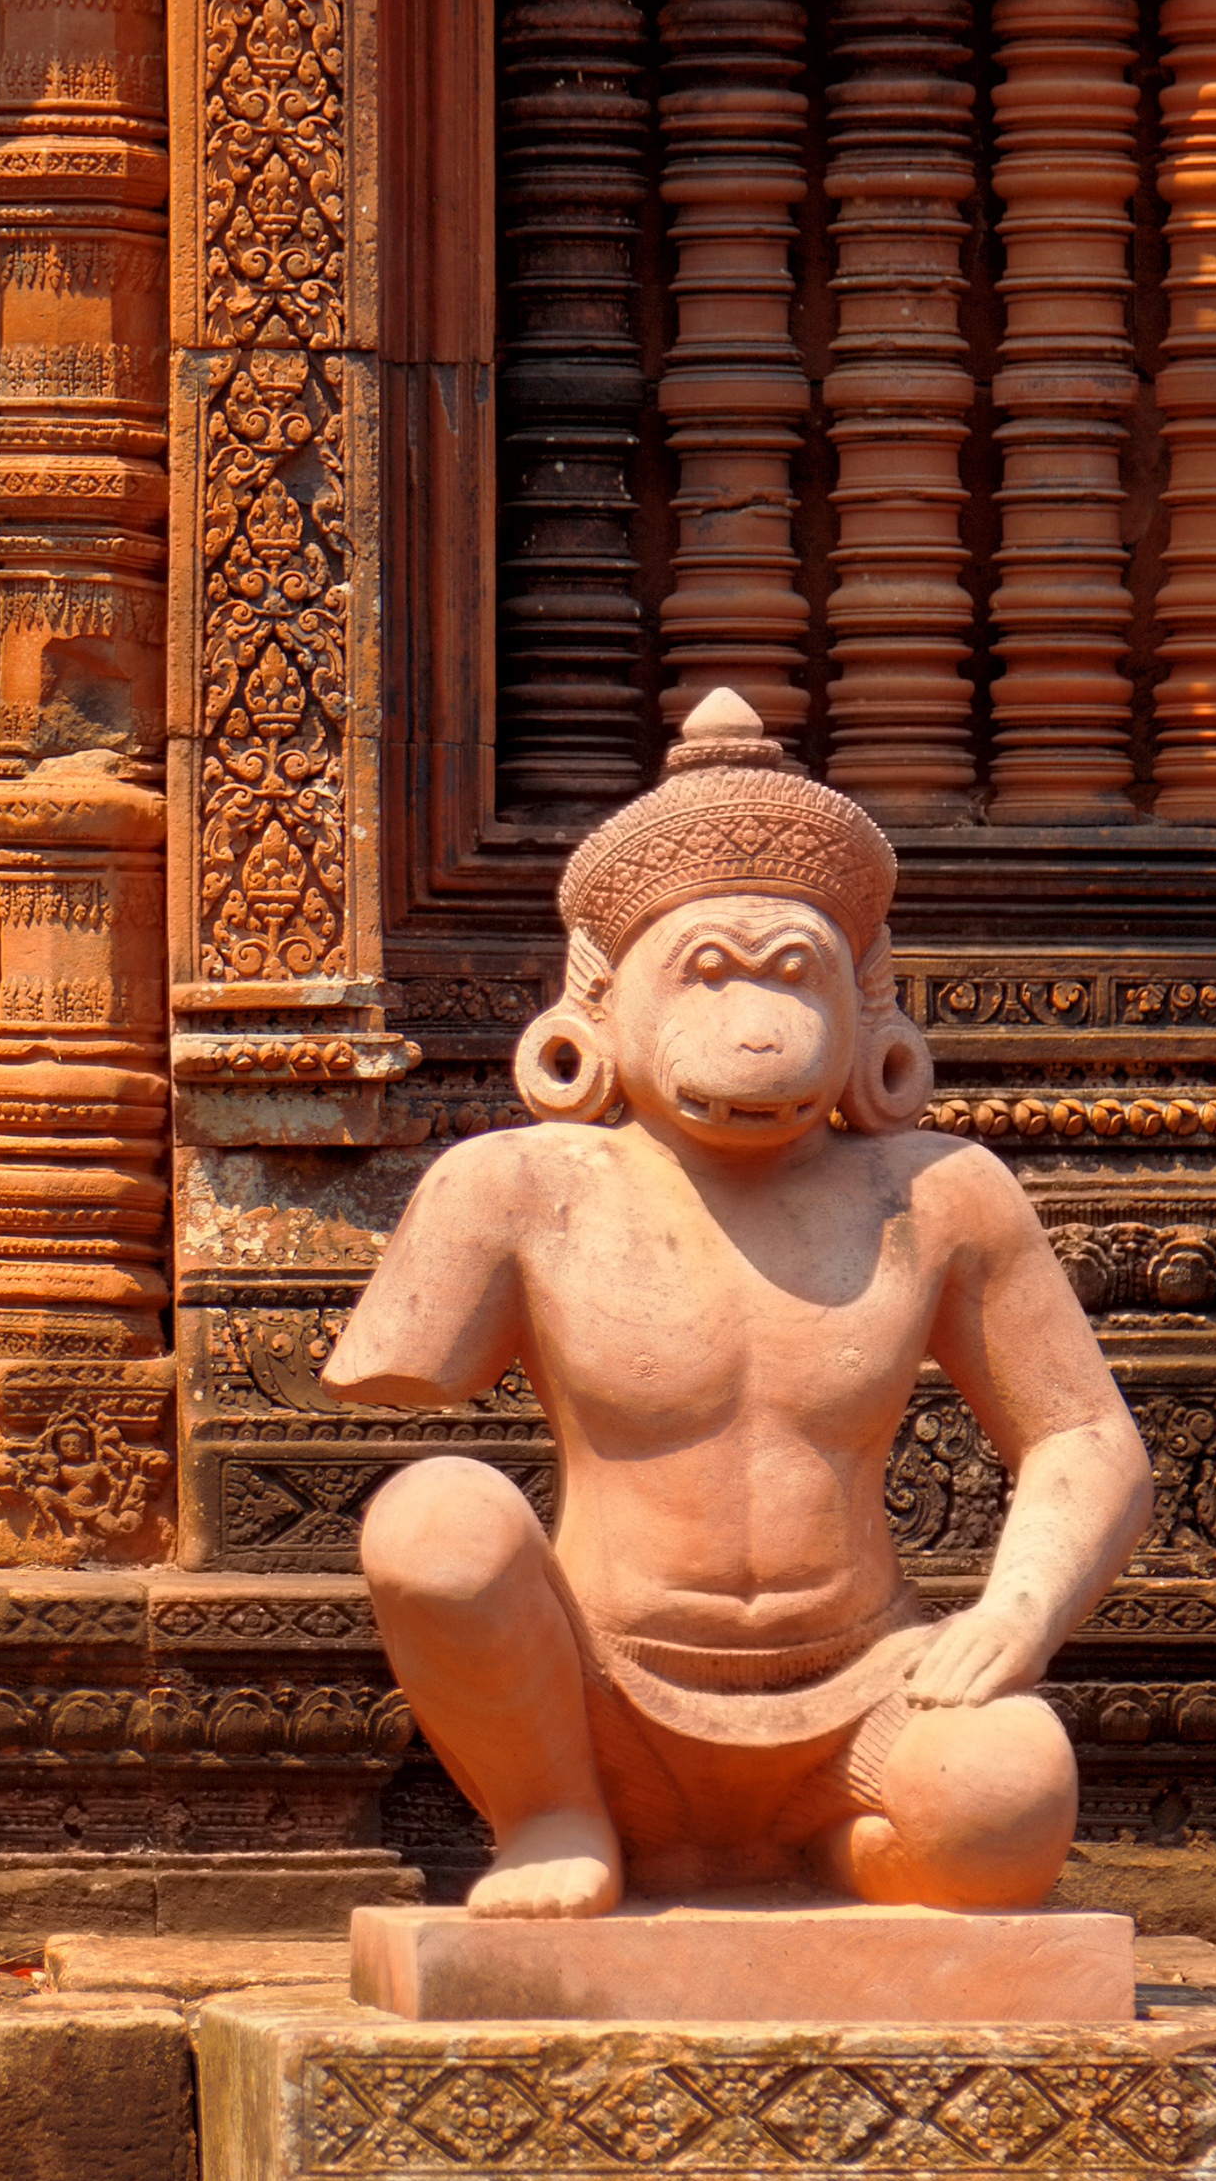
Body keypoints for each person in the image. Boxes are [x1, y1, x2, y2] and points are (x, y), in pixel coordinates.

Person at [322, 689, 1148, 1916]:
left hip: (863, 1687)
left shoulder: (937, 1194)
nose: (757, 1029)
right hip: (596, 1695)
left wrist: (1016, 1611)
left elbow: (1082, 1435)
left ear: (862, 1003)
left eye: (793, 973)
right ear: (599, 1003)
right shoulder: (518, 1185)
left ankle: (817, 1857)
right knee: (431, 1518)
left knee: (1006, 1803)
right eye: (704, 972)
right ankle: (552, 1817)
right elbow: (402, 1391)